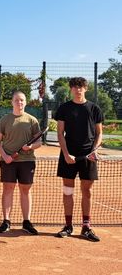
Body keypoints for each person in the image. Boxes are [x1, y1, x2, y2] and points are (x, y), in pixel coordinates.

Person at [54, 77, 103, 242]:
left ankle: (86, 227)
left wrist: (94, 150)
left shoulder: (94, 109)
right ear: (71, 89)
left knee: (87, 191)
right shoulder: (64, 108)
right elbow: (60, 133)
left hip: (88, 156)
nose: (77, 89)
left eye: (80, 86)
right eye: (74, 87)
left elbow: (99, 133)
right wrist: (66, 154)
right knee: (68, 191)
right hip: (69, 155)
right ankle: (68, 226)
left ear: (86, 88)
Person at [0, 91, 42, 235]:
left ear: (25, 102)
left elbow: (38, 142)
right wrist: (5, 156)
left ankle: (26, 222)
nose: (19, 103)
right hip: (8, 162)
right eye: (16, 100)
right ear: (12, 102)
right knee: (8, 189)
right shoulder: (4, 120)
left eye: (22, 100)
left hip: (27, 161)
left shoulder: (32, 120)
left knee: (25, 190)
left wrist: (31, 147)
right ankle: (6, 221)